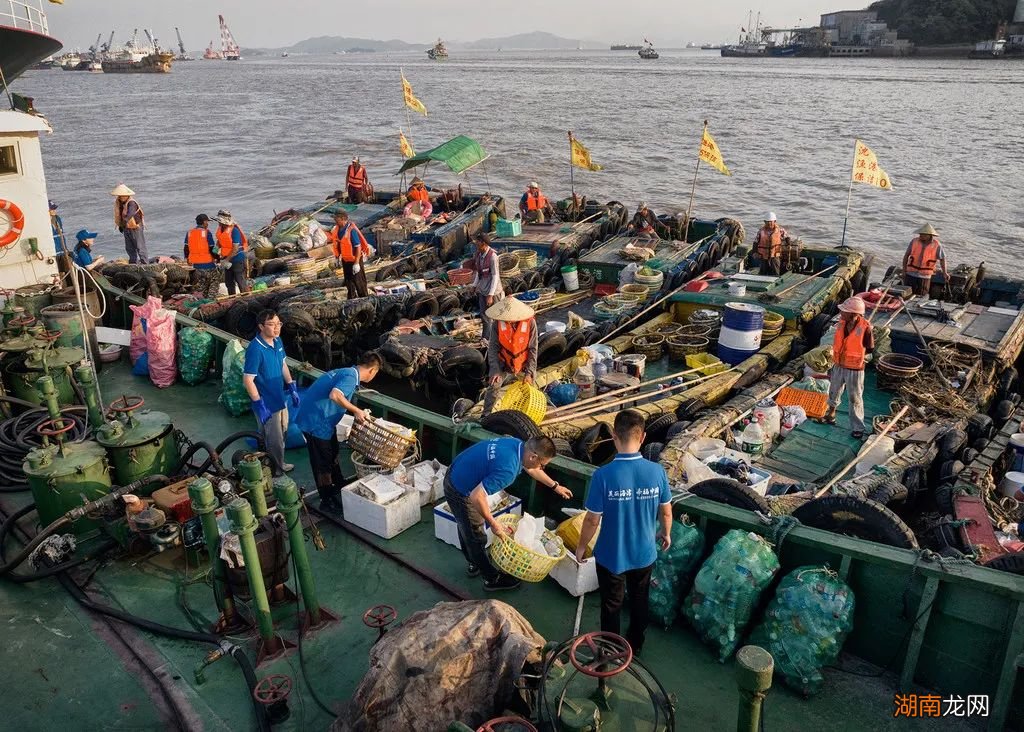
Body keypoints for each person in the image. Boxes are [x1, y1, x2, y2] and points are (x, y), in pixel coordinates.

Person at [576, 409, 672, 655]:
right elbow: (666, 511)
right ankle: (636, 645)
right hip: (644, 553)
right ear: (643, 438)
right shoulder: (657, 472)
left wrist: (581, 546)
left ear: (614, 437)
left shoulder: (603, 475)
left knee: (611, 604)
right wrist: (666, 533)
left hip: (611, 555)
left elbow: (591, 520)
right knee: (640, 600)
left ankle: (610, 648)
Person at [444, 435, 571, 591]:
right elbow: (476, 496)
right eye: (542, 464)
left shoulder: (516, 444)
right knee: (475, 534)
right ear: (533, 456)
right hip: (460, 489)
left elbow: (532, 468)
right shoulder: (508, 469)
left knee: (466, 526)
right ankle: (491, 578)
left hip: (456, 471)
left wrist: (555, 486)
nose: (542, 468)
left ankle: (474, 561)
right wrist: (494, 523)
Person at [294, 352, 381, 513]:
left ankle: (339, 485)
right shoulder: (349, 378)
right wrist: (356, 410)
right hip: (316, 423)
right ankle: (326, 499)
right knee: (323, 462)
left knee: (333, 452)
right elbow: (334, 395)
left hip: (324, 421)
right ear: (372, 371)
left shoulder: (347, 372)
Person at [243, 310, 300, 476]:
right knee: (272, 438)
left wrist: (291, 385)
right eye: (271, 324)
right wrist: (259, 404)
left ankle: (278, 462)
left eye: (278, 323)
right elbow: (248, 380)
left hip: (280, 397)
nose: (276, 328)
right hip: (267, 401)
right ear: (261, 326)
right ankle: (275, 470)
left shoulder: (277, 341)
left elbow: (283, 364)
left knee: (283, 431)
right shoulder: (255, 349)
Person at [823, 297, 874, 440]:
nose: (841, 312)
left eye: (844, 311)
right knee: (834, 391)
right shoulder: (841, 323)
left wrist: (856, 356)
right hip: (839, 364)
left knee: (855, 398)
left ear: (854, 314)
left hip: (855, 369)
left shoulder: (866, 328)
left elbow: (869, 348)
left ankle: (858, 427)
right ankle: (830, 414)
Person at [484, 297, 538, 416]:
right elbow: (492, 348)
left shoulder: (530, 323)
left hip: (523, 364)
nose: (508, 321)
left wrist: (529, 373)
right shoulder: (497, 324)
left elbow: (533, 349)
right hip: (504, 363)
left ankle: (527, 415)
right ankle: (486, 414)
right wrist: (495, 371)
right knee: (494, 385)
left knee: (529, 390)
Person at [328, 210, 371, 299]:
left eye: (337, 219)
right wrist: (337, 258)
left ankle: (364, 299)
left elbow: (358, 247)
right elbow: (338, 244)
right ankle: (351, 299)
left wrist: (356, 263)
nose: (335, 221)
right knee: (349, 281)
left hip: (354, 259)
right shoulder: (337, 230)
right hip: (345, 260)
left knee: (359, 282)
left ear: (343, 219)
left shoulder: (351, 231)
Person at [902, 223, 948, 297]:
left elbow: (942, 259)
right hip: (911, 273)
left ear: (930, 236)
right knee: (906, 295)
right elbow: (906, 256)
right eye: (920, 234)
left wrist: (945, 273)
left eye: (923, 235)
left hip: (925, 276)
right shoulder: (914, 241)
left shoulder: (937, 245)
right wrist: (904, 270)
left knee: (922, 296)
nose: (921, 236)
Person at [472, 232, 503, 330]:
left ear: (483, 244)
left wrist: (490, 295)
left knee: (496, 316)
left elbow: (495, 276)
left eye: (478, 241)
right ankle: (486, 339)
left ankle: (497, 339)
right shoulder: (478, 254)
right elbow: (479, 272)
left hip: (493, 292)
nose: (476, 243)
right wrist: (474, 285)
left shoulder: (493, 257)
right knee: (484, 317)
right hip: (483, 290)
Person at [111, 183, 148, 264]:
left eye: (123, 196)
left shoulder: (132, 203)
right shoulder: (120, 203)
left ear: (127, 195)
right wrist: (121, 226)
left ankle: (145, 263)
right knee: (129, 247)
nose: (122, 197)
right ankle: (133, 262)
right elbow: (120, 215)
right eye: (120, 196)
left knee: (139, 246)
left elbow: (130, 213)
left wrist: (124, 222)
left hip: (135, 227)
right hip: (126, 227)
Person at [215, 210, 250, 295]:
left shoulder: (234, 231)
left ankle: (246, 297)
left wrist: (226, 259)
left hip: (237, 259)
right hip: (227, 260)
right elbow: (219, 243)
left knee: (240, 280)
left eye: (220, 221)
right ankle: (232, 298)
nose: (218, 223)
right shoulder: (221, 229)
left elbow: (235, 249)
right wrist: (215, 254)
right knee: (229, 282)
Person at [751, 212, 788, 276]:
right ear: (764, 222)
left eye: (771, 222)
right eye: (767, 222)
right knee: (763, 272)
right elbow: (756, 242)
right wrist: (754, 252)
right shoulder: (761, 231)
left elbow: (787, 239)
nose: (769, 224)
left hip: (775, 255)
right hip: (763, 255)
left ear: (775, 221)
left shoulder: (780, 231)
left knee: (776, 271)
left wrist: (788, 244)